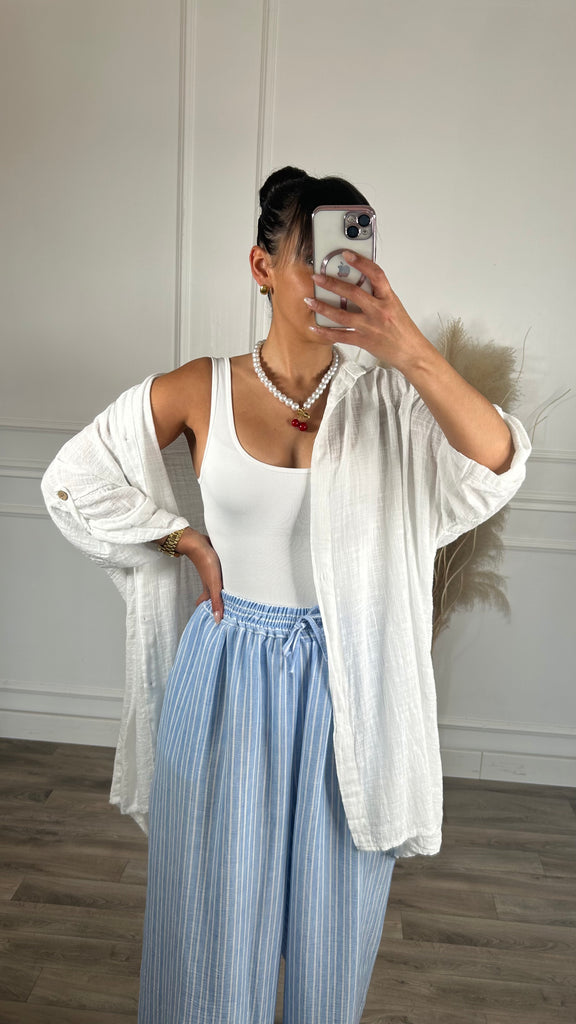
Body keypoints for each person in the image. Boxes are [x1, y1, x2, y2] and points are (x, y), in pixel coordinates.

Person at [41, 165, 532, 1024]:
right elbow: (71, 479)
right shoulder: (201, 387)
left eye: (351, 256)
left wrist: (406, 347)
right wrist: (180, 536)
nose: (335, 277)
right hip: (226, 680)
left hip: (351, 693)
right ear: (262, 267)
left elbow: (496, 465)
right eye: (313, 257)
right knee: (209, 940)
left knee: (329, 952)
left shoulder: (389, 400)